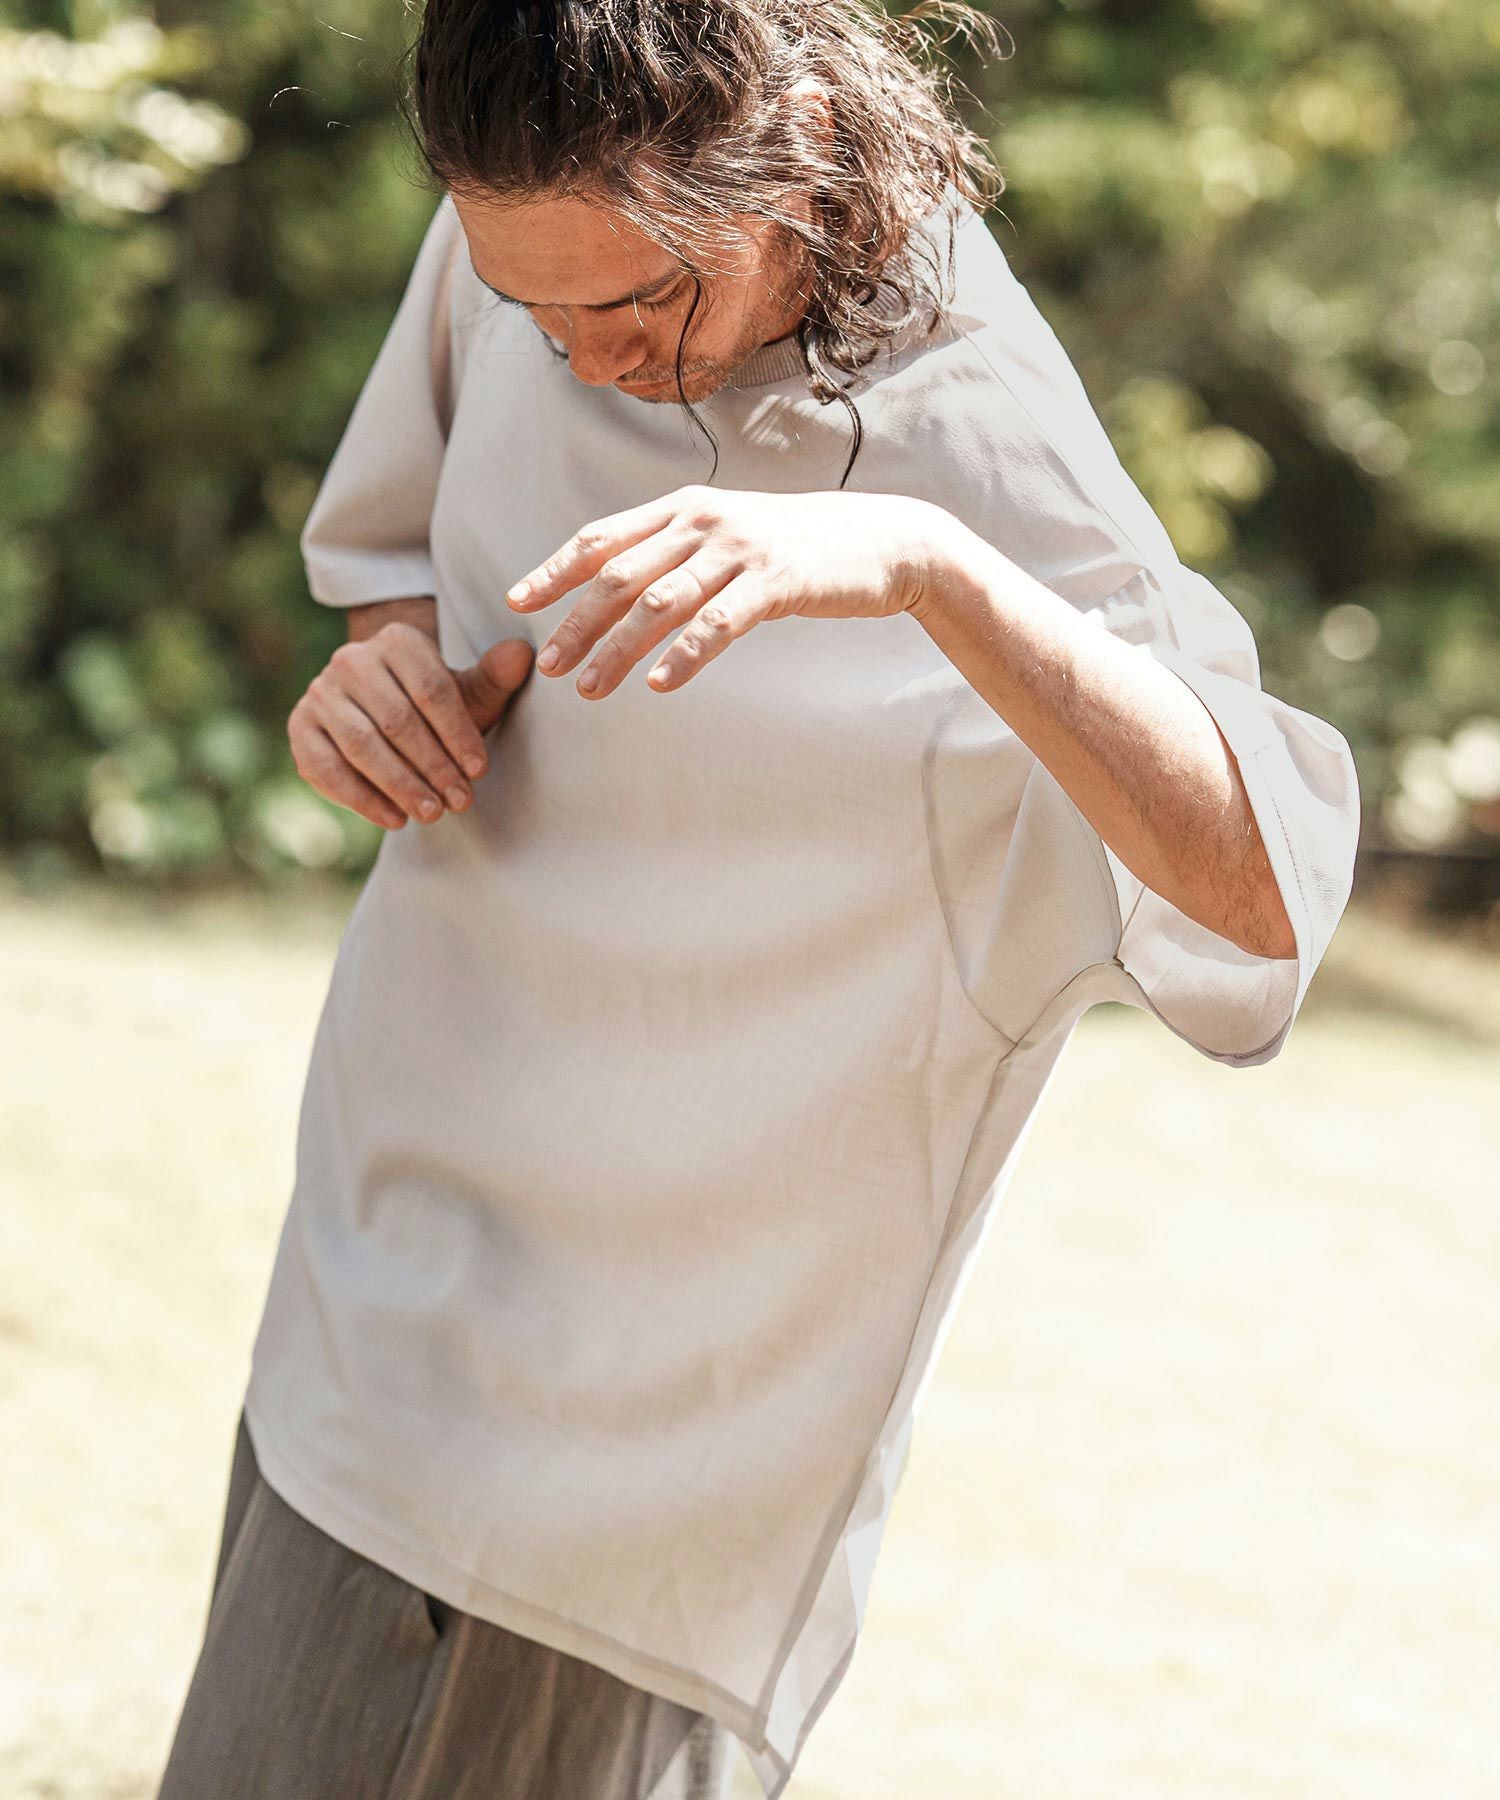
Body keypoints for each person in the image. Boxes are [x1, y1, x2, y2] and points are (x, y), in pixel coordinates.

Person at [156, 1, 1360, 1796]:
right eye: (534, 312)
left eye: (643, 305)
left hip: (639, 1461)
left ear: (790, 147)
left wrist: (929, 568)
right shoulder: (536, 229)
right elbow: (397, 560)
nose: (584, 361)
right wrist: (384, 675)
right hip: (372, 1273)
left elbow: (1265, 892)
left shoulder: (983, 421)